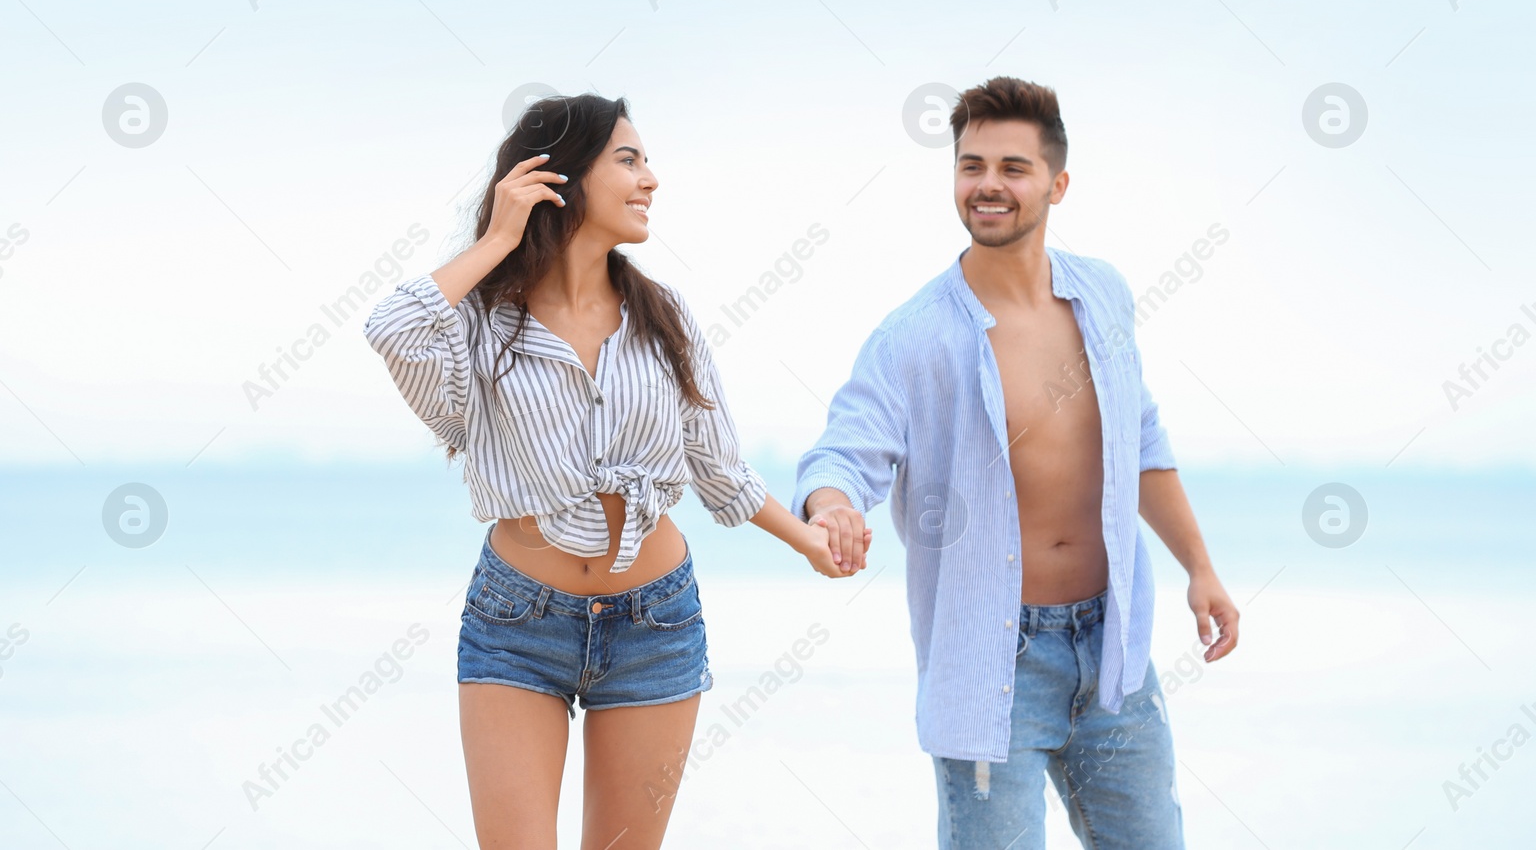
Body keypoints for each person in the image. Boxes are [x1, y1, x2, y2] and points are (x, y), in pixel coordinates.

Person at [363, 93, 845, 850]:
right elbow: (390, 327)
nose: (651, 178)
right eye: (629, 159)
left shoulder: (665, 318)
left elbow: (718, 467)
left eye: (646, 160)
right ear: (559, 178)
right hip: (516, 622)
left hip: (654, 622)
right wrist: (497, 238)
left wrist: (808, 540)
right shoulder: (480, 324)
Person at [793, 76, 1240, 849]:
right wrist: (832, 505)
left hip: (1113, 653)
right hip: (989, 663)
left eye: (1012, 167)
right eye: (971, 166)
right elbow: (844, 447)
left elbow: (1143, 440)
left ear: (1057, 184)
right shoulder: (916, 336)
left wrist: (1200, 566)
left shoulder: (1103, 295)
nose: (987, 185)